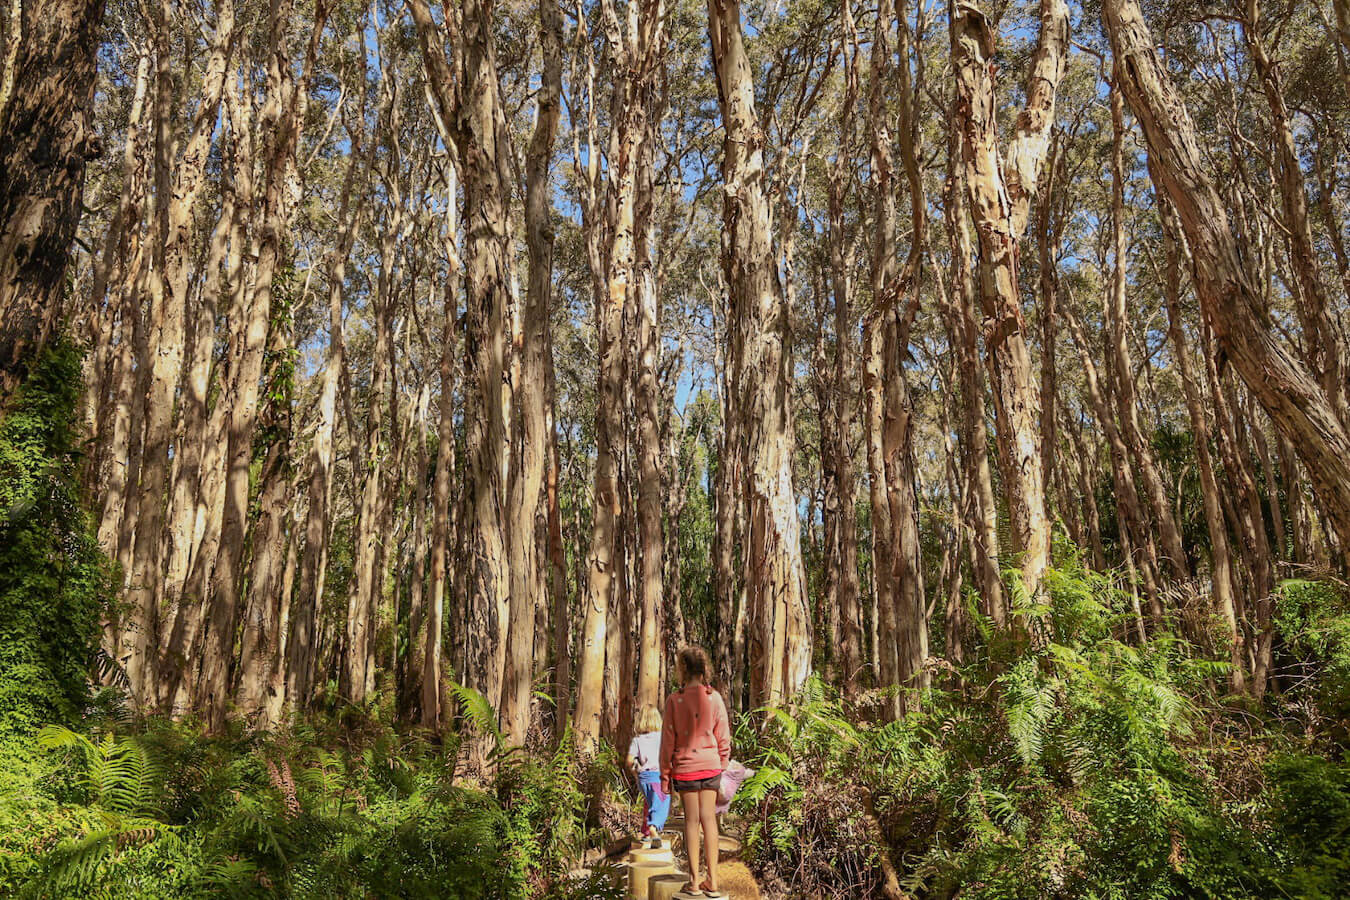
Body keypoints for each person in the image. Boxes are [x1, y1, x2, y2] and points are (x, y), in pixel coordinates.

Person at [659, 645, 730, 898]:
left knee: (691, 822)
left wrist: (665, 776)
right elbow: (724, 737)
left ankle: (694, 882)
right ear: (704, 669)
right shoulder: (715, 698)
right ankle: (713, 881)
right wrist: (721, 764)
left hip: (685, 768)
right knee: (709, 821)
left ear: (682, 669)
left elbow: (668, 741)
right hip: (710, 766)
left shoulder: (674, 700)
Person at [627, 705, 670, 847]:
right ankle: (653, 828)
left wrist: (635, 768)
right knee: (662, 803)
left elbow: (629, 760)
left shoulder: (637, 740)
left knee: (650, 803)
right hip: (659, 776)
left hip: (644, 778)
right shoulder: (662, 737)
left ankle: (646, 832)